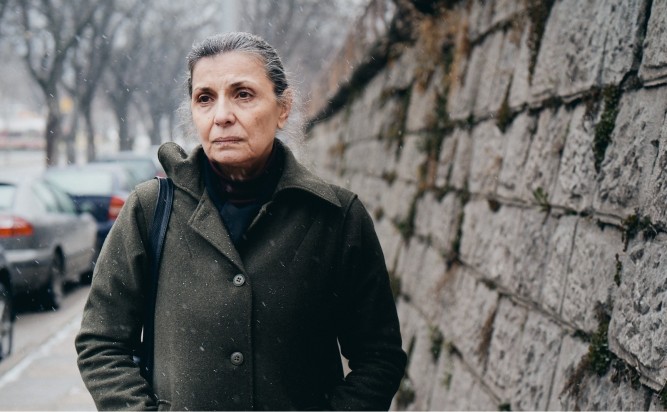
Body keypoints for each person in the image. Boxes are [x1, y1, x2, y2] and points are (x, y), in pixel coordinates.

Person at [75, 31, 407, 411]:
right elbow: (101, 343)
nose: (222, 116)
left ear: (283, 108)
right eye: (205, 98)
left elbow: (379, 357)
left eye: (243, 94)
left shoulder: (336, 217)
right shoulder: (150, 210)